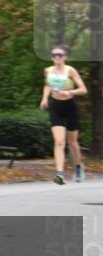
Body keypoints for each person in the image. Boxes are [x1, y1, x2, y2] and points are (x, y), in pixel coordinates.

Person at [40, 44, 88, 184]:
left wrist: (69, 92)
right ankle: (60, 174)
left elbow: (83, 89)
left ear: (65, 57)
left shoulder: (70, 70)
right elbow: (47, 84)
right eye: (54, 55)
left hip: (70, 106)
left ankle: (78, 167)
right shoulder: (48, 70)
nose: (56, 57)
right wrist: (44, 98)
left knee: (72, 142)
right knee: (59, 141)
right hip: (56, 107)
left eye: (59, 55)